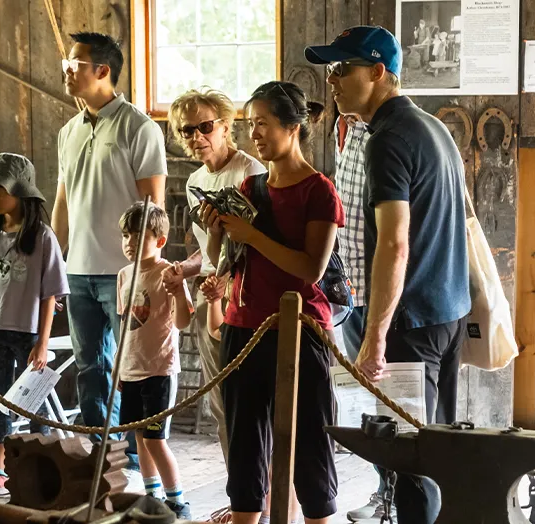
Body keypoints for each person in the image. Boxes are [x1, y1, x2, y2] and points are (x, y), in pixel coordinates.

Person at [305, 25, 470, 524]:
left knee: (409, 460)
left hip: (407, 321)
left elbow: (395, 244)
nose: (332, 80)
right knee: (434, 450)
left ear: (378, 72)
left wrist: (375, 336)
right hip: (445, 311)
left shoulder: (388, 140)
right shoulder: (432, 126)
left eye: (342, 68)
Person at [201, 81, 345, 524]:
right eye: (250, 125)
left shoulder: (319, 191)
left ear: (292, 126)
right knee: (244, 445)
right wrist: (216, 231)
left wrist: (252, 235)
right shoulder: (250, 186)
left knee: (310, 444)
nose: (254, 135)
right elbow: (224, 260)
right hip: (243, 328)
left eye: (262, 124)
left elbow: (311, 269)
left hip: (300, 331)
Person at [52, 32, 167, 471]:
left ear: (103, 70)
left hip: (125, 272)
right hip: (77, 270)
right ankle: (104, 454)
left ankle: (137, 460)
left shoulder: (139, 127)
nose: (67, 70)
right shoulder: (68, 131)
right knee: (89, 369)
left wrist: (146, 271)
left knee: (132, 369)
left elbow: (152, 209)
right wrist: (55, 265)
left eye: (75, 63)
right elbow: (63, 203)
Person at [163, 87, 266, 463]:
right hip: (211, 292)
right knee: (220, 399)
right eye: (187, 130)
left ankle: (263, 486)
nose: (197, 136)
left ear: (225, 126)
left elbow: (261, 244)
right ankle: (238, 486)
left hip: (247, 294)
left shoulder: (251, 172)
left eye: (205, 126)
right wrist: (183, 269)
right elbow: (209, 248)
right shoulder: (195, 182)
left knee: (251, 397)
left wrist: (228, 276)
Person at [0, 153, 69, 498]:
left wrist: (43, 343)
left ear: (21, 192)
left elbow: (51, 295)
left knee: (35, 404)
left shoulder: (42, 238)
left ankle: (40, 470)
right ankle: (0, 471)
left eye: (2, 188)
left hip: (29, 333)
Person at [333, 113, 395, 523]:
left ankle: (396, 494)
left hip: (379, 291)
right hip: (351, 287)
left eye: (340, 79)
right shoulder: (344, 127)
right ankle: (385, 489)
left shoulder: (381, 132)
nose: (333, 83)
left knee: (391, 401)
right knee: (368, 401)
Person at [116, 201, 194, 518]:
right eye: (126, 236)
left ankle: (178, 501)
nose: (129, 243)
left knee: (155, 439)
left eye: (138, 236)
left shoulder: (169, 275)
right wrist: (118, 367)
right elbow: (124, 325)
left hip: (159, 371)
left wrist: (179, 291)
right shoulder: (123, 275)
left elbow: (183, 321)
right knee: (139, 439)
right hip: (130, 370)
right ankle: (153, 496)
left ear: (160, 240)